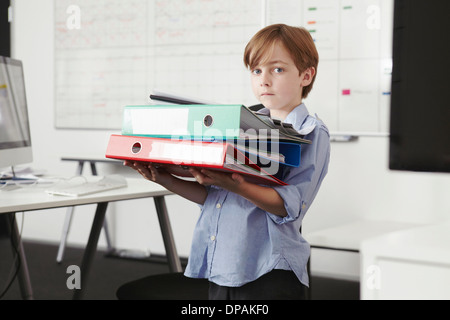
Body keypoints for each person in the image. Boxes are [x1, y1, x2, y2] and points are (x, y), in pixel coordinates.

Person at [124, 24, 330, 300]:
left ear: (306, 75)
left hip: (270, 272)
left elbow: (289, 206)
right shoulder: (240, 125)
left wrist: (236, 185)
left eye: (277, 69)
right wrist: (165, 179)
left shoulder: (313, 132)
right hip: (222, 263)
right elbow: (214, 197)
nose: (264, 79)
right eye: (256, 70)